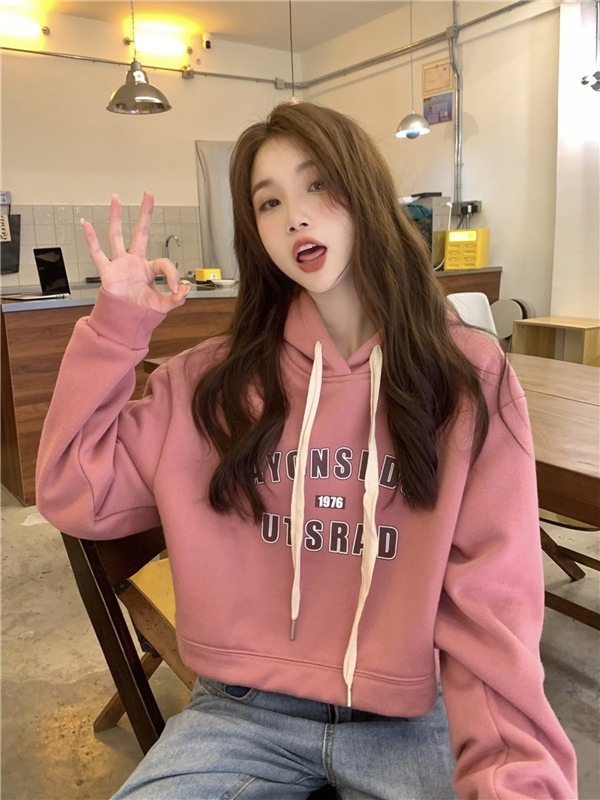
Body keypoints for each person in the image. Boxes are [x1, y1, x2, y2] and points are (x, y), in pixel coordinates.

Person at [36, 100, 577, 800]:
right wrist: (116, 328)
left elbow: (493, 601)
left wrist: (514, 774)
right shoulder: (208, 384)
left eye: (317, 184)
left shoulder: (464, 377)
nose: (295, 216)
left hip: (411, 717)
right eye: (269, 202)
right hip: (240, 714)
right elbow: (71, 490)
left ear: (365, 193)